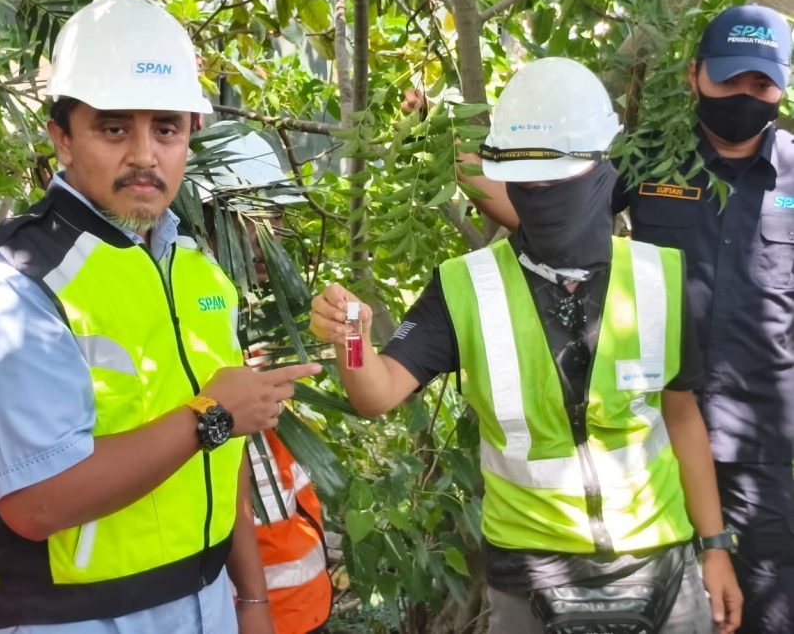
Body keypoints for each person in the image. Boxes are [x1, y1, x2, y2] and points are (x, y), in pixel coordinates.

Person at [0, 0, 320, 634]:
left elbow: (224, 451)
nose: (144, 154)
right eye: (114, 128)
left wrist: (252, 600)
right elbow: (36, 502)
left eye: (165, 128)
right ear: (62, 137)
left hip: (210, 601)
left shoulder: (194, 269)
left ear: (190, 134)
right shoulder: (16, 288)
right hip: (76, 621)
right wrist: (213, 416)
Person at [311, 57, 742, 634]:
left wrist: (714, 546)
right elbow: (376, 393)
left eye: (556, 178)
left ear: (602, 168)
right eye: (527, 180)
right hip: (530, 579)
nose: (541, 194)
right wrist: (352, 340)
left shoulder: (660, 277)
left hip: (663, 566)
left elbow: (682, 414)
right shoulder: (468, 287)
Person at [612, 4, 794, 634]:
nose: (746, 95)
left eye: (761, 84)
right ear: (695, 76)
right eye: (731, 79)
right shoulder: (645, 158)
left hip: (759, 447)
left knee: (759, 614)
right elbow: (553, 217)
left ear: (782, 87)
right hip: (645, 434)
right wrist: (454, 157)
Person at [201, 123, 334, 634]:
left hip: (300, 596)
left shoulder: (251, 313)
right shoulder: (195, 314)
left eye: (272, 216)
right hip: (246, 608)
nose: (265, 236)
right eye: (246, 217)